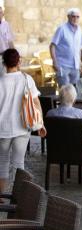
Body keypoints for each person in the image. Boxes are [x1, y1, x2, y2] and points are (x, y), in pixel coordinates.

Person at [0, 49, 46, 195]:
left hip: (2, 128)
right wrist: (40, 124)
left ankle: (0, 195)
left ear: (4, 63)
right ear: (19, 61)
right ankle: (18, 195)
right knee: (19, 163)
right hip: (22, 126)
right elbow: (36, 103)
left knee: (2, 161)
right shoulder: (27, 79)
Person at [46, 84, 82, 187]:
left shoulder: (50, 114)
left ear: (60, 98)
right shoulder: (79, 113)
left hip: (57, 151)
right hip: (79, 151)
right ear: (74, 99)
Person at [50, 8, 82, 86]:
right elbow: (52, 46)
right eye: (73, 16)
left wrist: (80, 63)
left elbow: (78, 48)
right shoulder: (62, 29)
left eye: (77, 17)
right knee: (65, 91)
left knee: (75, 91)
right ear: (68, 17)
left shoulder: (80, 30)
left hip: (75, 66)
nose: (75, 19)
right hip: (62, 65)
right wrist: (54, 62)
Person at [0, 5, 15, 75]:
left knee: (4, 76)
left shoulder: (6, 25)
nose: (1, 14)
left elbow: (10, 41)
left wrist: (15, 55)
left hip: (5, 57)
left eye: (1, 12)